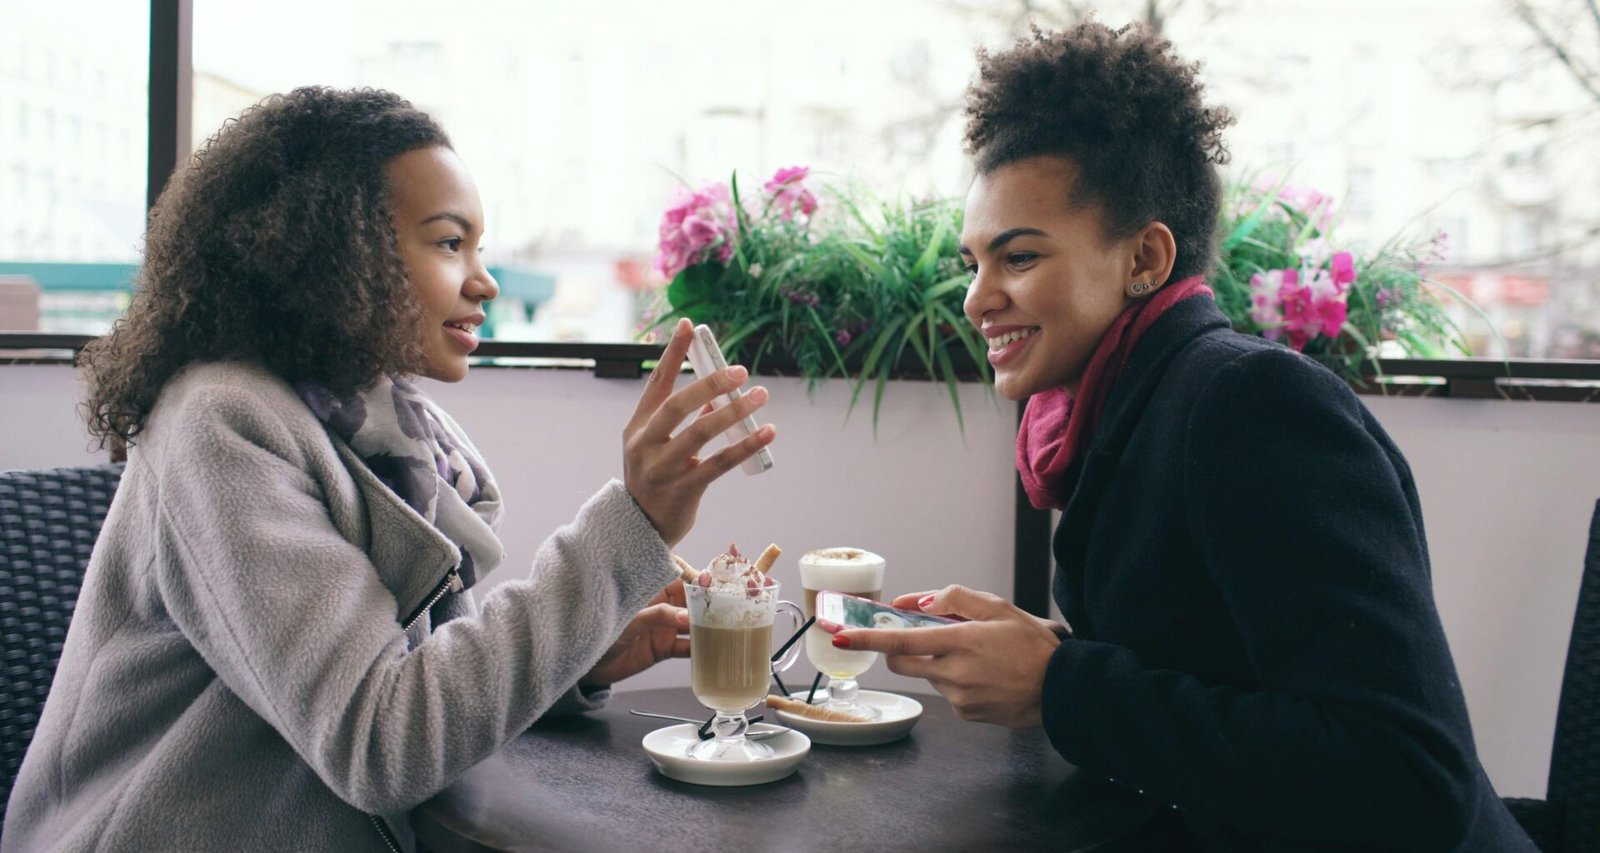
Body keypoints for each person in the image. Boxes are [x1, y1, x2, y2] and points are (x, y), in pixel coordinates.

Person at [1, 87, 776, 852]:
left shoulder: (381, 428)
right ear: (336, 249)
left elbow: (411, 685)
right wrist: (632, 525)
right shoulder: (223, 422)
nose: (484, 280)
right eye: (449, 243)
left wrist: (585, 653)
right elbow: (380, 742)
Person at [832, 23, 1535, 851]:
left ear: (1145, 258)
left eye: (1017, 258)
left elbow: (1408, 778)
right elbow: (1225, 666)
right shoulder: (1125, 407)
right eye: (972, 262)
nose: (976, 298)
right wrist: (1041, 655)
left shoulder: (1251, 403)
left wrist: (1062, 684)